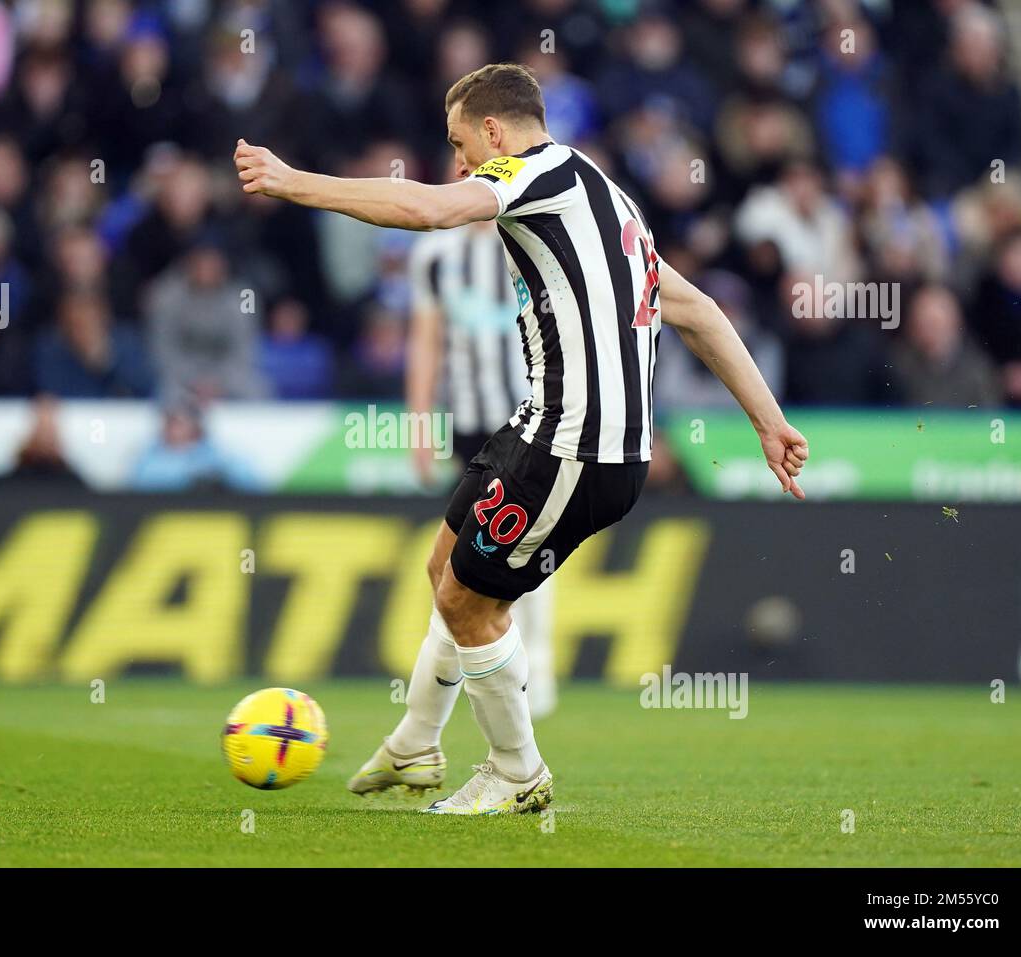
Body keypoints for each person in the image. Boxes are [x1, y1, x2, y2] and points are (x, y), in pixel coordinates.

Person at [234, 63, 808, 815]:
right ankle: (416, 741)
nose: (462, 160)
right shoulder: (608, 200)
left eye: (461, 142)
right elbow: (695, 309)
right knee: (445, 565)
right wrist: (770, 421)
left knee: (473, 604)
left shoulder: (530, 171)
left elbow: (430, 210)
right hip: (543, 427)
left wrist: (292, 182)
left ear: (494, 132)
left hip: (577, 447)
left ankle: (516, 769)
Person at [408, 217, 556, 719]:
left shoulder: (530, 243)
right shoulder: (435, 258)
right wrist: (420, 423)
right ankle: (485, 663)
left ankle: (536, 664)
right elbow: (426, 342)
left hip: (531, 416)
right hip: (471, 425)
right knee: (467, 550)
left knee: (527, 544)